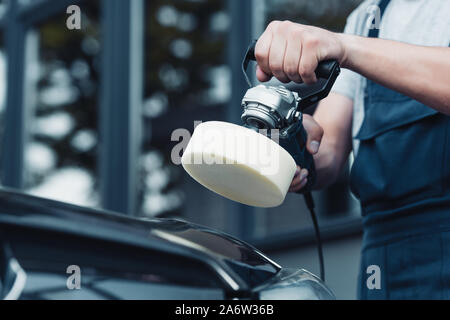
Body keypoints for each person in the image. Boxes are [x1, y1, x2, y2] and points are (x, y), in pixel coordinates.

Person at [254, 0, 450, 299]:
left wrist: (345, 48)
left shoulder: (351, 41)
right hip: (385, 257)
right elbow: (328, 151)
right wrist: (296, 140)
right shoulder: (367, 17)